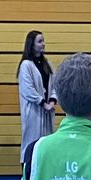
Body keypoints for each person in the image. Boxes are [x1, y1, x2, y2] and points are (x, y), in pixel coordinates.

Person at [18, 30, 57, 163]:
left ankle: (44, 170)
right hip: (33, 111)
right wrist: (42, 103)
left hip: (47, 111)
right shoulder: (26, 65)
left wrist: (52, 101)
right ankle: (28, 170)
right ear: (32, 44)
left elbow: (55, 85)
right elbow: (27, 89)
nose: (43, 44)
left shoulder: (47, 64)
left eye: (43, 41)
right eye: (40, 41)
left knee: (47, 142)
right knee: (31, 141)